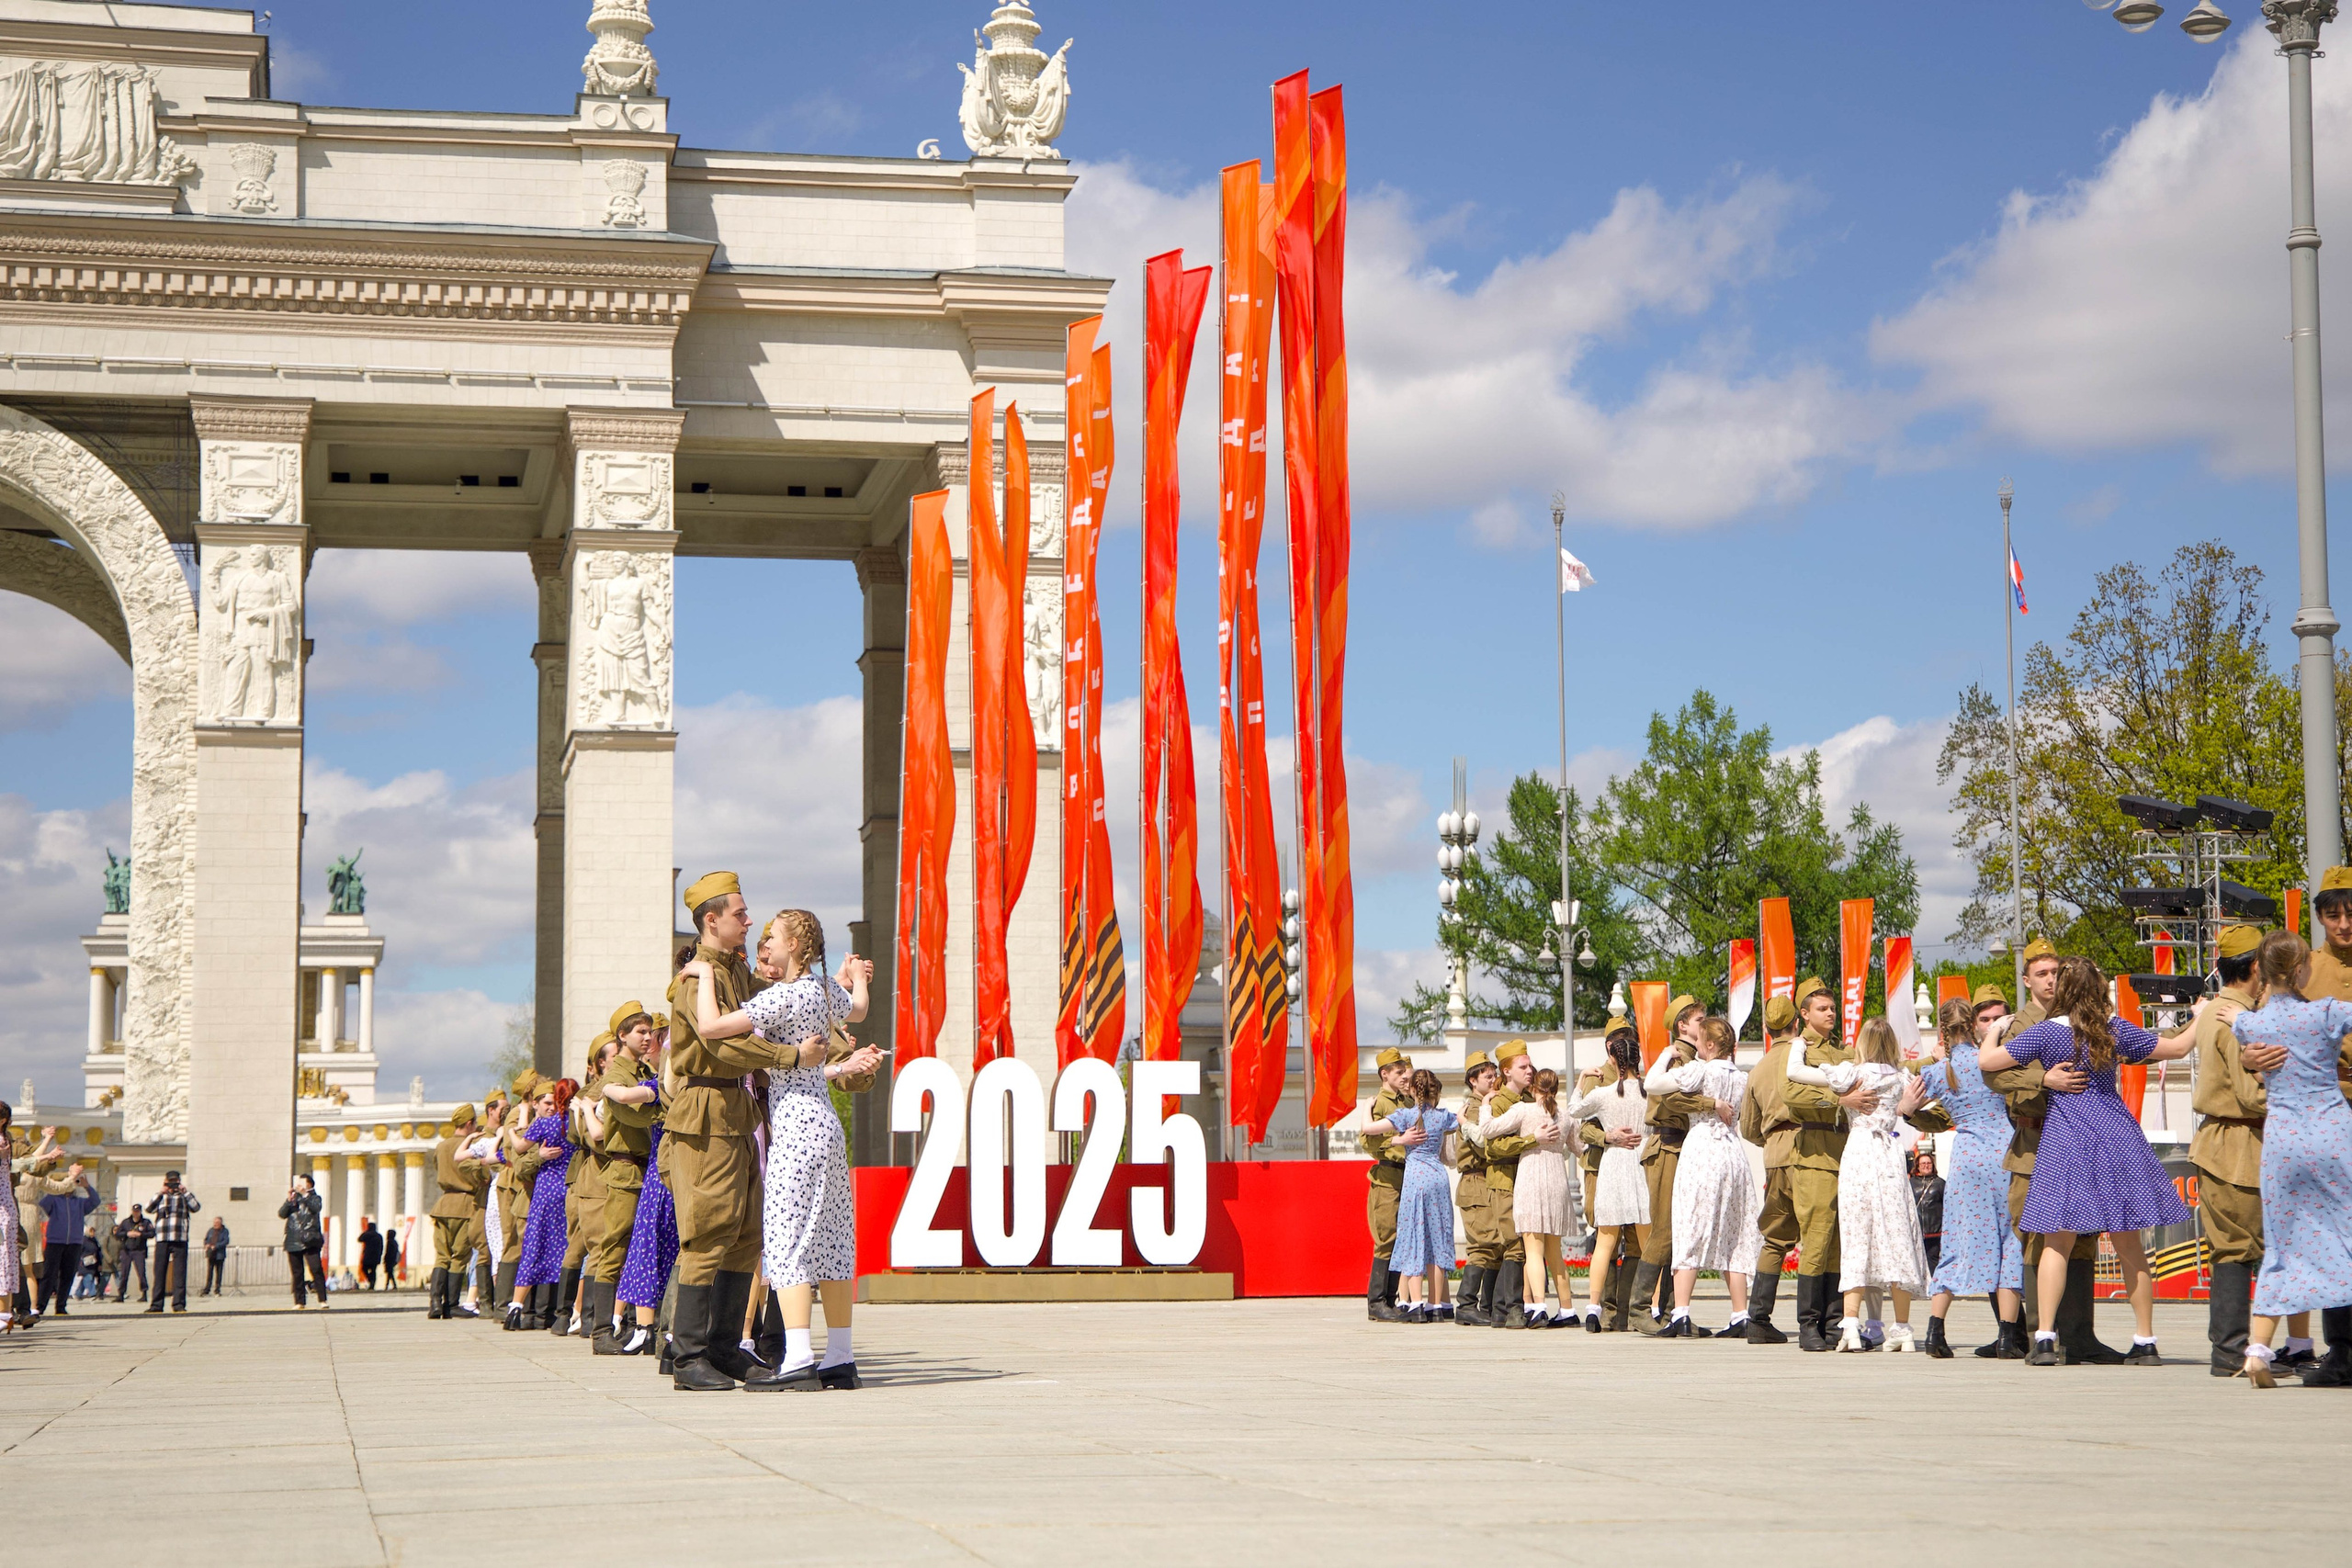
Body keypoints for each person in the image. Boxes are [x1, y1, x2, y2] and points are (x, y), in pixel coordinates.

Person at [688, 908, 879, 1388]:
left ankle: (797, 1357)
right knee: (834, 1243)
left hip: (794, 1124)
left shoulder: (784, 997)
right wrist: (856, 977)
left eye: (772, 936)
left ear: (794, 945)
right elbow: (858, 1010)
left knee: (786, 1241)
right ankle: (840, 1356)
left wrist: (705, 974)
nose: (766, 942)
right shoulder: (819, 990)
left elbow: (710, 1027)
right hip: (827, 1124)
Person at [1975, 955, 2198, 1366]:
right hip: (2115, 1134)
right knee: (2129, 1241)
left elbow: (1987, 1064)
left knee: (2056, 1242)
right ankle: (2145, 1340)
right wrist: (2201, 1014)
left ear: (2062, 988)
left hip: (2067, 1139)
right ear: (2098, 991)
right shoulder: (2113, 1031)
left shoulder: (2045, 1033)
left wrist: (1996, 1031)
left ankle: (2043, 1339)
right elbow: (2180, 1048)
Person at [664, 872, 824, 1391]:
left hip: (737, 1109)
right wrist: (790, 1057)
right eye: (740, 913)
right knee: (709, 1232)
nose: (749, 921)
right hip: (706, 1110)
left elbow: (780, 1008)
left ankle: (725, 1348)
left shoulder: (732, 969)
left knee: (744, 1235)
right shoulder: (697, 977)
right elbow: (721, 1047)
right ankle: (687, 1356)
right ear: (712, 921)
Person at [2226, 931, 2352, 1386]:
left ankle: (2258, 1350)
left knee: (2282, 1243)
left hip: (2283, 1140)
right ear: (2301, 969)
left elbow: (2232, 1021)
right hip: (2333, 1133)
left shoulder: (2251, 1025)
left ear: (2260, 969)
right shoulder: (2326, 1012)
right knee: (2346, 1233)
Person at [1979, 939, 2113, 1364]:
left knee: (2084, 1237)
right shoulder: (2019, 1025)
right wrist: (2043, 1081)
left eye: (2056, 972)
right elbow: (1993, 1078)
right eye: (2042, 973)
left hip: (2081, 1142)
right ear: (2026, 979)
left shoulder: (2083, 1020)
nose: (2051, 980)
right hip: (2035, 1144)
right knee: (2038, 1238)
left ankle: (2082, 1336)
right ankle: (2044, 1335)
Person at [1783, 1016, 1932, 1351]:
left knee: (1856, 1234)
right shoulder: (1901, 1077)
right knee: (1896, 1235)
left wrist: (1796, 1044)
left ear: (1863, 1042)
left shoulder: (1852, 1073)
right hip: (1890, 1151)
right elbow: (1931, 1095)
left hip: (1860, 1151)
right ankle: (1903, 1329)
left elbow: (1795, 1072)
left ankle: (1850, 1325)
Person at [2189, 925, 2285, 1378]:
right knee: (2241, 1249)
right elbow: (2251, 1096)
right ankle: (2232, 1350)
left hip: (2224, 1140)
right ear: (2254, 967)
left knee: (2234, 1247)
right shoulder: (2237, 1018)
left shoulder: (2215, 1011)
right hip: (2240, 1142)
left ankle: (2233, 1348)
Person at [1912, 997, 2023, 1359]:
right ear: (1973, 1026)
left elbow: (1907, 1103)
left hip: (1967, 1159)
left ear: (1943, 1030)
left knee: (1956, 1242)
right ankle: (2008, 1336)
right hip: (2004, 1154)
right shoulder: (1990, 1062)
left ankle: (1935, 1331)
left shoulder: (1938, 1071)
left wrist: (1905, 1108)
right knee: (2009, 1243)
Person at [2283, 863, 2352, 1386]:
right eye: (2333, 913)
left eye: (2351, 912)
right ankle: (2343, 1348)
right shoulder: (2305, 969)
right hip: (2329, 1112)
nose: (2344, 923)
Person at [1648, 1015, 1759, 1337]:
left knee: (1690, 1225)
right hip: (1733, 1154)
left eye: (1698, 1040)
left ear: (1710, 1044)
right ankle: (1740, 1314)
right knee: (1735, 1231)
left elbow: (1653, 1085)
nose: (1695, 1045)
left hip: (1702, 1150)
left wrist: (1665, 1057)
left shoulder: (1700, 1069)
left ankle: (1680, 1312)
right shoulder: (1741, 1077)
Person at [1782, 976, 1866, 1352]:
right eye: (1822, 1008)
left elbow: (1876, 1068)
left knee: (1839, 1240)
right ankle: (1807, 1323)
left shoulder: (1844, 1051)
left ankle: (1834, 1321)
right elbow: (1792, 1094)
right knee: (1816, 1236)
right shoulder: (1799, 1049)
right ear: (1804, 1013)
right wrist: (1838, 1101)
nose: (1830, 1013)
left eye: (1832, 1007)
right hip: (1815, 1155)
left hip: (1846, 1153)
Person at [1631, 996, 1722, 1333]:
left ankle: (1671, 1313)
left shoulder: (1693, 1058)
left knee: (1680, 1231)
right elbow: (1673, 1098)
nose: (1705, 1023)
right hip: (1667, 1146)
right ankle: (1639, 1309)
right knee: (1665, 1229)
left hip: (1681, 1146)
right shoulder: (1677, 1057)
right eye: (1700, 1019)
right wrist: (1712, 1103)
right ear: (1683, 1025)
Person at [584, 1005, 661, 1354]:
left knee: (645, 1247)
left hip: (650, 1166)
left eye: (650, 1032)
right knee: (614, 1246)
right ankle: (601, 1331)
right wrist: (664, 1101)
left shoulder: (644, 1069)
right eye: (640, 1032)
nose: (648, 1037)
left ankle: (639, 1325)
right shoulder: (615, 1075)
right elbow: (636, 1116)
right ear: (622, 1036)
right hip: (627, 1169)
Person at [1564, 1029, 1650, 1331]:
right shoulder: (1649, 1090)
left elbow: (1574, 1110)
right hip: (1640, 1164)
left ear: (1613, 1058)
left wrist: (1579, 1078)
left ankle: (1592, 1308)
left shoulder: (1604, 1093)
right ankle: (1651, 1307)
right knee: (1648, 1242)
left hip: (1612, 1164)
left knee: (1604, 1241)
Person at [1476, 1066, 1574, 1326]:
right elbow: (1579, 1147)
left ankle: (1538, 1307)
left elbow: (1488, 1129)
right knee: (1555, 1252)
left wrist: (1485, 1103)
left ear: (1534, 1088)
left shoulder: (1524, 1109)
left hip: (1531, 1176)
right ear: (1556, 1088)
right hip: (1557, 1179)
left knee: (1533, 1249)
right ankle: (1568, 1309)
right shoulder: (1565, 1117)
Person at [1736, 996, 1803, 1344]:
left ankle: (1758, 1319)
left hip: (1775, 1153)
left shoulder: (1758, 1069)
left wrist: (1771, 1140)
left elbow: (1748, 1127)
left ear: (1767, 1029)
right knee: (1818, 1234)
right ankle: (1815, 1321)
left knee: (1775, 1238)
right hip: (1810, 1149)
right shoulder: (1805, 1057)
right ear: (1797, 1023)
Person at [1372, 1067, 1461, 1324]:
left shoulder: (1406, 1115)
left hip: (1415, 1178)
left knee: (1413, 1236)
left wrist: (1368, 1109)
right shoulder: (1443, 1117)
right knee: (1436, 1239)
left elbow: (1371, 1128)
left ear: (1412, 1090)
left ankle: (1415, 1303)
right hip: (1437, 1177)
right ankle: (1436, 1304)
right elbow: (1464, 1121)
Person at [510, 1080, 579, 1326]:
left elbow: (519, 1148)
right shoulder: (577, 1125)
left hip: (545, 1190)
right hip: (570, 1188)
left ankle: (516, 1307)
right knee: (569, 1248)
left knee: (534, 1245)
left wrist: (510, 1132)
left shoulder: (545, 1124)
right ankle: (567, 1312)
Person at [1358, 1047, 1413, 1323]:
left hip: (1407, 1176)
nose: (1405, 1076)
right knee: (1386, 1239)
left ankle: (1391, 1301)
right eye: (1399, 1072)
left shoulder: (1407, 1101)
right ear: (1385, 1074)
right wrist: (1396, 1141)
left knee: (1400, 1241)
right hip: (1388, 1177)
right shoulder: (1380, 1103)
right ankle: (1377, 1302)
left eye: (1405, 1071)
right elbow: (1366, 1141)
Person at [1450, 1051, 1502, 1325]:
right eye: (1488, 1076)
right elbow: (1482, 1142)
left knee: (1495, 1243)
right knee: (1482, 1244)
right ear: (1473, 1080)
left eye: (1494, 1075)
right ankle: (1467, 1304)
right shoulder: (1472, 1109)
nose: (1493, 1080)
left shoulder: (1487, 1104)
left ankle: (1489, 1304)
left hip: (1487, 1181)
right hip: (1475, 1181)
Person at [428, 1103, 490, 1322]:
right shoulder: (471, 1145)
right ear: (469, 1123)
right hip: (466, 1205)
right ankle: (451, 1304)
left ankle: (435, 1303)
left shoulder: (442, 1146)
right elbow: (479, 1173)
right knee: (459, 1257)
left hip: (444, 1205)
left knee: (441, 1256)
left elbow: (439, 1169)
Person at [37, 1163, 98, 1317]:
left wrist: (87, 1186)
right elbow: (43, 1204)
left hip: (74, 1242)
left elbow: (95, 1201)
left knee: (67, 1275)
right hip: (55, 1241)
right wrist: (58, 1188)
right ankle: (40, 1305)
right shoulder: (54, 1200)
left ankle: (61, 1306)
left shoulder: (79, 1202)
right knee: (49, 1275)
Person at [143, 1168, 199, 1314]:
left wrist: (185, 1191)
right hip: (163, 1238)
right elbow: (148, 1209)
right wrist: (160, 1192)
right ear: (166, 1182)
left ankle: (179, 1304)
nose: (173, 1185)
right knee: (159, 1271)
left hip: (180, 1237)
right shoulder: (161, 1197)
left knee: (180, 1272)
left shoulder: (184, 1196)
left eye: (176, 1182)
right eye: (171, 1182)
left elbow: (196, 1207)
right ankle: (156, 1305)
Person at [279, 1175, 328, 1309]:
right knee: (297, 1272)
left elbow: (315, 1208)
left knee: (316, 1269)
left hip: (310, 1239)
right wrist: (289, 1200)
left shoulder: (314, 1197)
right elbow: (282, 1214)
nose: (298, 1185)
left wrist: (305, 1195)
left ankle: (322, 1299)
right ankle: (299, 1301)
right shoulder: (294, 1199)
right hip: (293, 1239)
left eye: (302, 1183)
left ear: (309, 1184)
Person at [113, 1197, 153, 1303]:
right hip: (126, 1251)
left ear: (140, 1212)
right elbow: (117, 1233)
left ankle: (144, 1293)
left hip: (139, 1251)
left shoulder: (145, 1222)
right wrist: (127, 1234)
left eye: (138, 1211)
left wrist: (140, 1234)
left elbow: (152, 1234)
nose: (136, 1213)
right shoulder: (126, 1222)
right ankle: (121, 1294)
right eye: (134, 1211)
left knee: (141, 1272)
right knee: (124, 1273)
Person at [200, 1216, 230, 1297]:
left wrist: (216, 1246)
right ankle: (207, 1289)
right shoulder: (211, 1230)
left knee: (219, 1273)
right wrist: (206, 1244)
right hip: (211, 1254)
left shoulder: (225, 1231)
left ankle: (217, 1290)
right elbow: (206, 1239)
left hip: (219, 1255)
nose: (215, 1224)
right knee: (209, 1273)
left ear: (220, 1223)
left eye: (217, 1223)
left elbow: (226, 1241)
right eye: (214, 1223)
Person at [356, 1217, 383, 1290]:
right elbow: (381, 1247)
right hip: (376, 1256)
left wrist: (365, 1231)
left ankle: (370, 1280)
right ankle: (372, 1283)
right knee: (373, 1270)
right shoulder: (379, 1236)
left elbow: (359, 1239)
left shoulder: (367, 1234)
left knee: (364, 1268)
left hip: (367, 1255)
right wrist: (380, 1256)